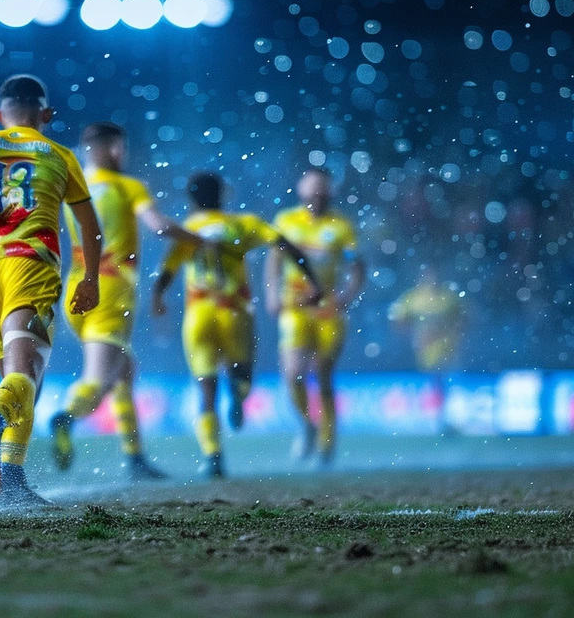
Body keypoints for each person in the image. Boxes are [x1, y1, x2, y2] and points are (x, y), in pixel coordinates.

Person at [0, 75, 102, 505]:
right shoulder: (60, 154)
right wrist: (90, 279)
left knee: (17, 378)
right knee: (26, 375)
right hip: (31, 264)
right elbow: (90, 225)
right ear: (45, 115)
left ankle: (12, 477)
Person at [49, 121, 200, 480]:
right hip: (110, 292)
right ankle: (66, 416)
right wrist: (199, 239)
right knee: (99, 379)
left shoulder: (71, 185)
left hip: (75, 290)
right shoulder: (128, 186)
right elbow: (160, 227)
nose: (120, 154)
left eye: (122, 148)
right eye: (114, 147)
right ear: (96, 149)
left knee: (125, 372)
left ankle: (134, 457)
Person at [153, 172, 320, 479]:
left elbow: (167, 270)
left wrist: (158, 297)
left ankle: (213, 456)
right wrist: (312, 281)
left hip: (199, 314)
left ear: (191, 200)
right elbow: (286, 246)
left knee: (205, 389)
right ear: (223, 195)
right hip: (235, 312)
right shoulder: (242, 224)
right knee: (241, 372)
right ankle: (239, 394)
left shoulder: (188, 229)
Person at [265, 167, 365, 467]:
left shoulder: (341, 227)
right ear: (301, 190)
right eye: (312, 188)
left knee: (323, 375)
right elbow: (273, 262)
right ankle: (308, 424)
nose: (317, 194)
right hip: (295, 308)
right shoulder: (286, 221)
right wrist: (271, 294)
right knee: (293, 374)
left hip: (327, 311)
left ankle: (327, 444)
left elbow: (357, 267)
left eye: (322, 189)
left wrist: (346, 297)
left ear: (330, 192)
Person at [389, 267, 466, 372]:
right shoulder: (412, 298)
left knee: (442, 373)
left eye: (433, 278)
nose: (431, 281)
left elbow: (464, 318)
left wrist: (446, 332)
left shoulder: (448, 299)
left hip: (445, 345)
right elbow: (397, 321)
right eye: (426, 278)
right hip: (422, 347)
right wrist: (415, 335)